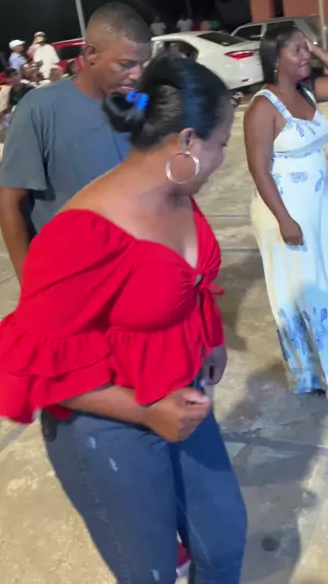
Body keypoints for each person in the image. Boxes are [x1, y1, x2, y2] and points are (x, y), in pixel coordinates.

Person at [0, 55, 246, 584]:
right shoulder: (80, 236)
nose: (223, 158)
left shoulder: (177, 195)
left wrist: (211, 338)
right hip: (108, 427)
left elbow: (187, 284)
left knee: (224, 542)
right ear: (187, 141)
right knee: (150, 572)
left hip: (182, 395)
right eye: (222, 144)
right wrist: (146, 411)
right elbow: (22, 365)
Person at [243, 22, 328, 399]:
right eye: (295, 50)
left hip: (318, 203)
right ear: (275, 57)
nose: (305, 55)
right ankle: (316, 371)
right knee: (305, 289)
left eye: (306, 47)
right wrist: (284, 220)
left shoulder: (307, 91)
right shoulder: (263, 106)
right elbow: (259, 169)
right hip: (285, 210)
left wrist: (318, 49)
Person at [0, 2, 151, 282]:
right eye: (126, 64)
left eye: (143, 63)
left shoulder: (138, 108)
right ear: (91, 54)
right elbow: (10, 203)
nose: (138, 74)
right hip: (71, 280)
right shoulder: (39, 109)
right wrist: (31, 285)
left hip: (135, 273)